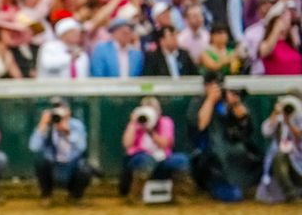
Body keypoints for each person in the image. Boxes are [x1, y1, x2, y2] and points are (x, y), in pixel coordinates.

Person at [186, 73, 262, 201]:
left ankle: (247, 186)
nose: (218, 88)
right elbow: (201, 125)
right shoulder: (198, 102)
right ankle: (213, 187)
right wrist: (210, 100)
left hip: (235, 155)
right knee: (233, 195)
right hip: (211, 159)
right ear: (206, 86)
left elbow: (246, 131)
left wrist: (239, 110)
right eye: (213, 85)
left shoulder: (229, 101)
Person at [120, 96, 189, 200]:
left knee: (181, 160)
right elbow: (127, 144)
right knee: (145, 159)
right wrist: (133, 124)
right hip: (140, 159)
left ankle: (179, 195)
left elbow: (165, 144)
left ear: (160, 111)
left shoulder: (166, 122)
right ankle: (136, 196)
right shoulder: (135, 124)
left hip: (162, 159)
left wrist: (150, 131)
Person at [29, 97, 91, 203]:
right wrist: (42, 124)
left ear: (68, 111)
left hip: (71, 166)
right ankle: (46, 196)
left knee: (86, 169)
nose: (59, 111)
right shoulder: (47, 125)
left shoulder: (76, 125)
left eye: (62, 108)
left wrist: (68, 133)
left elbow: (82, 147)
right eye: (55, 108)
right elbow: (33, 147)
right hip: (53, 167)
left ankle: (75, 197)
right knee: (41, 162)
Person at [256, 91, 302, 203]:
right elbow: (266, 131)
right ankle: (290, 193)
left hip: (299, 163)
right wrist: (276, 114)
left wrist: (290, 123)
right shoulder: (279, 119)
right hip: (283, 165)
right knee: (279, 156)